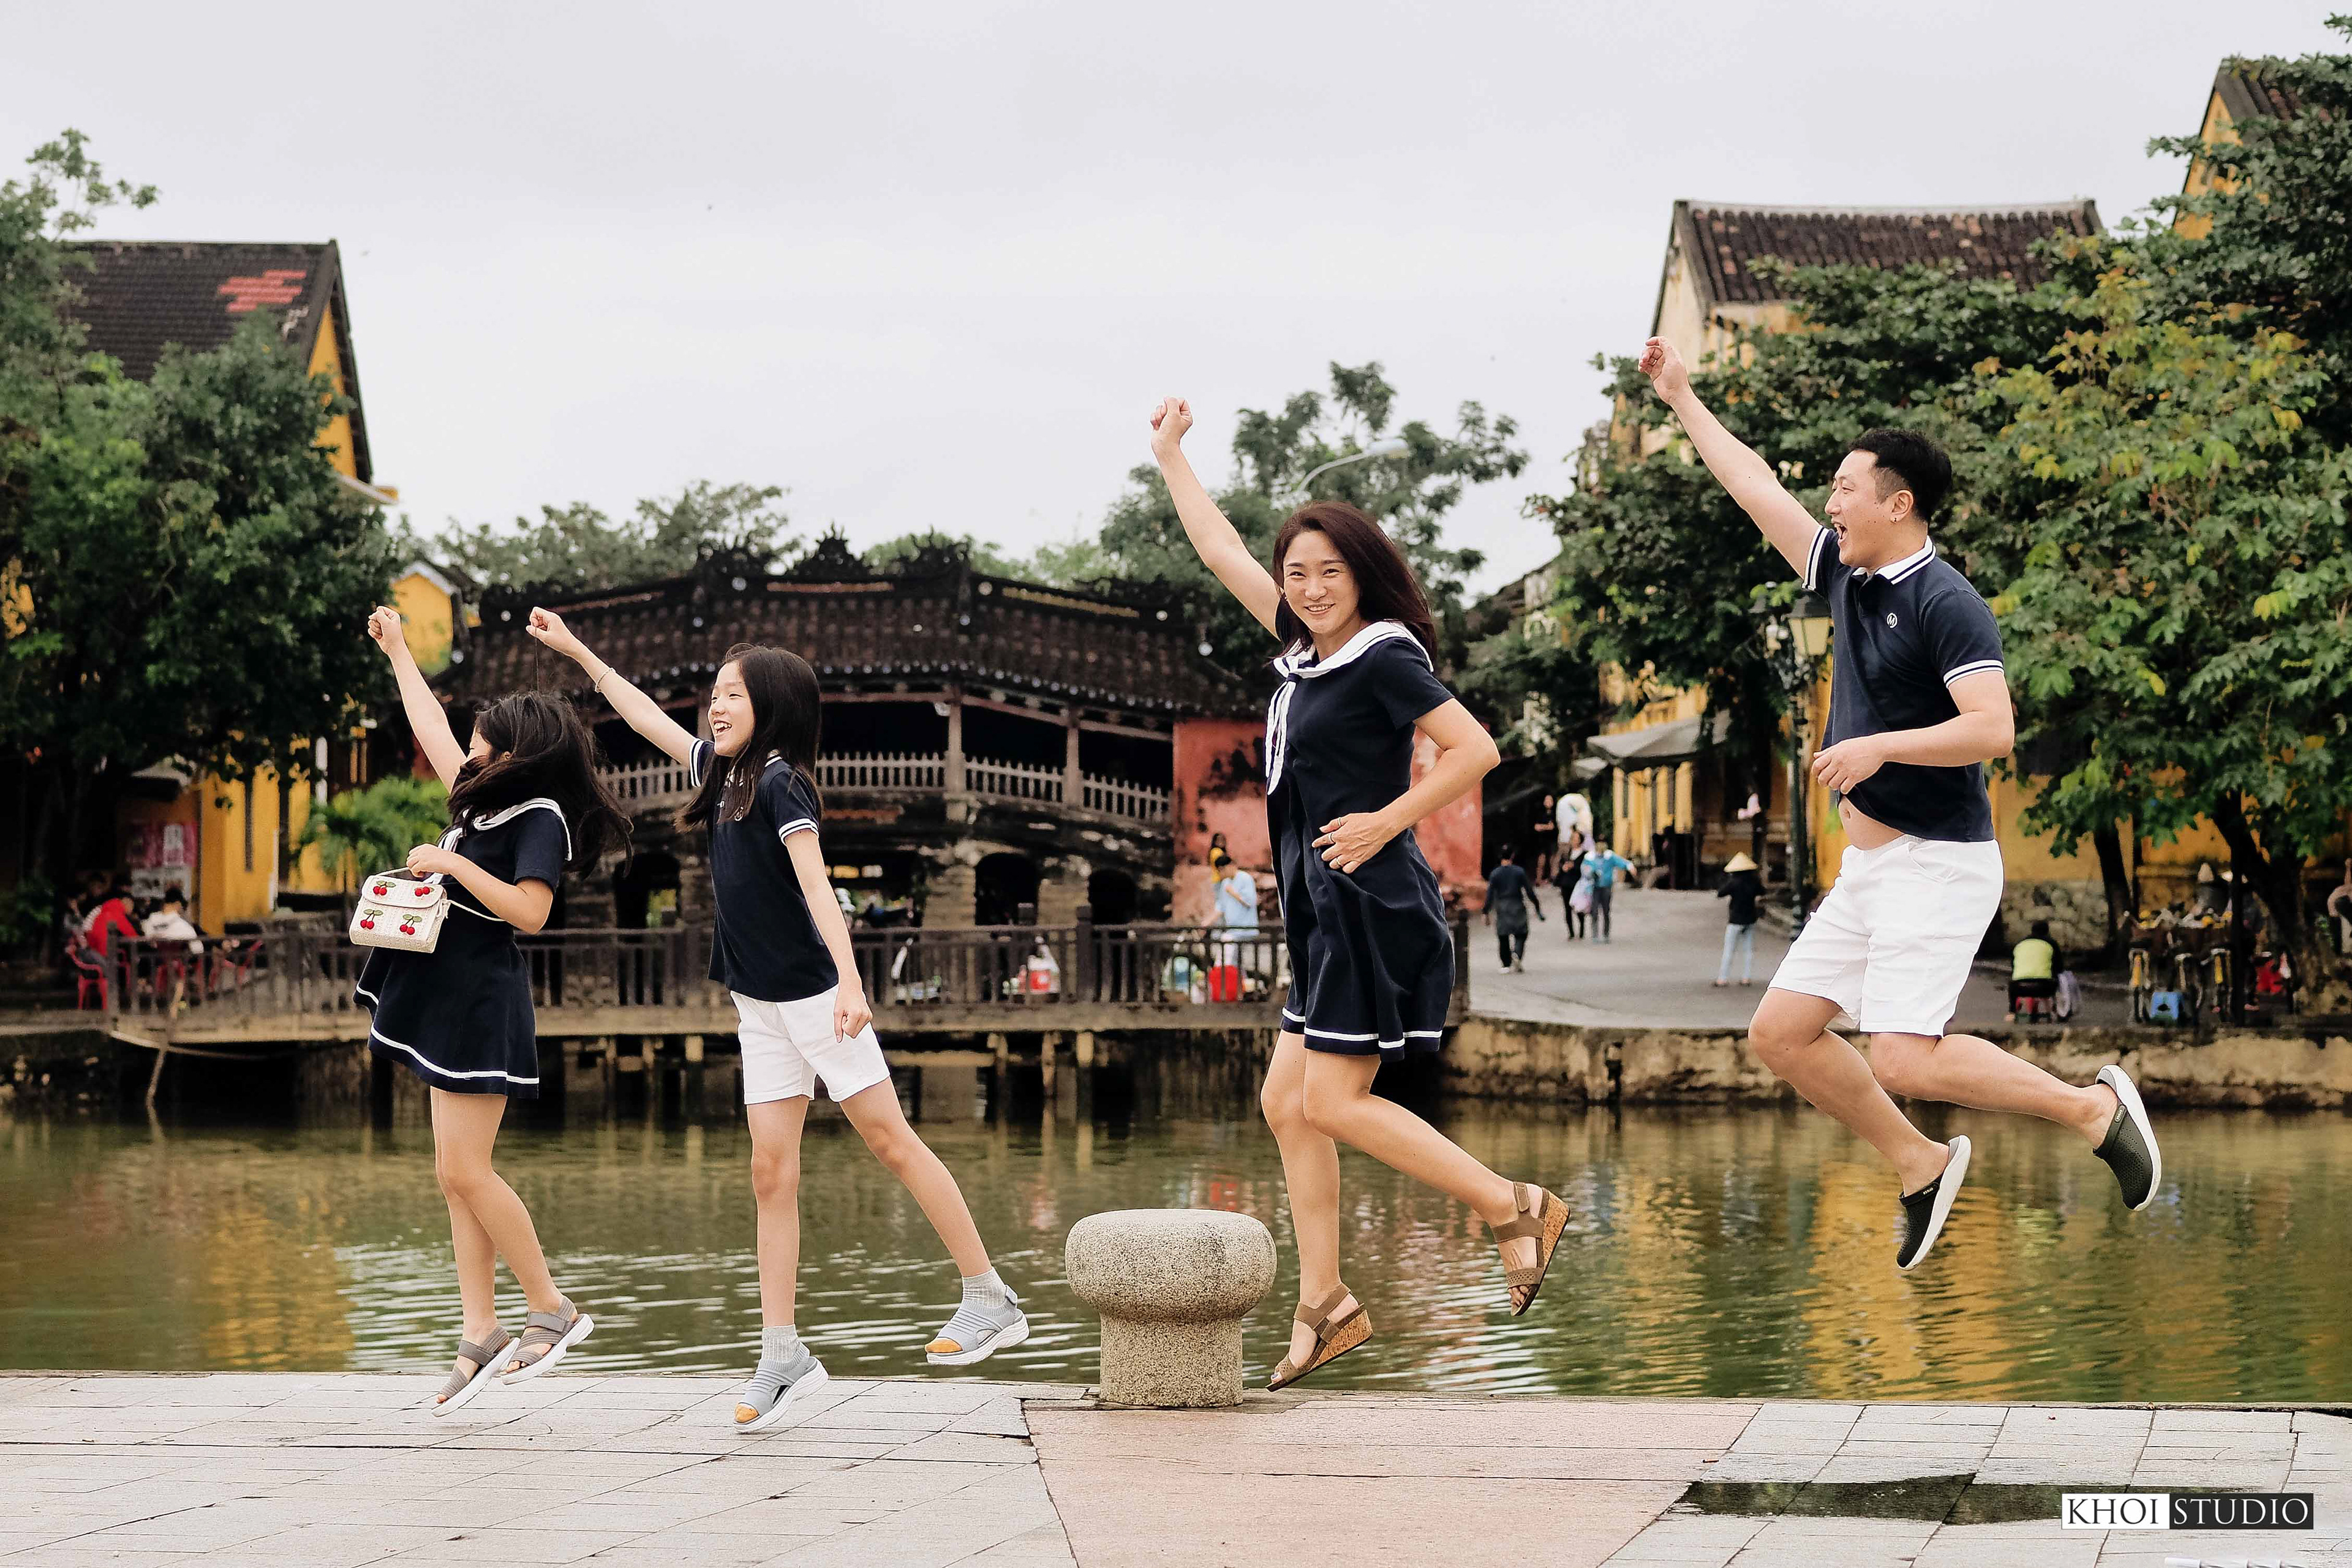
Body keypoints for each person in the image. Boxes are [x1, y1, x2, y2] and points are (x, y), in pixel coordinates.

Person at [1640, 335, 2162, 1272]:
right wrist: (1681, 399)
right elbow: (1754, 486)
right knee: (1783, 1035)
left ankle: (2095, 1108)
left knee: (1905, 1059)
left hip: (1939, 857)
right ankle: (1920, 1163)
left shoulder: (1947, 603)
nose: (1831, 504)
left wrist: (1876, 744)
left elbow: (1993, 728)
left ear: (1899, 503)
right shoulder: (1846, 575)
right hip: (1875, 869)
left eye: (1846, 488)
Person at [1151, 395, 1570, 1392]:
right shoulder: (1304, 652)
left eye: (1327, 573)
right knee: (1286, 1103)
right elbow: (1220, 553)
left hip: (1371, 901)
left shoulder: (1384, 655)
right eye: (1296, 574)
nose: (1307, 588)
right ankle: (1326, 1305)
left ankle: (1513, 1205)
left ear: (1363, 576)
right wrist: (1171, 458)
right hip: (1322, 911)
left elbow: (1475, 749)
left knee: (1332, 1102)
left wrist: (1391, 818)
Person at [530, 614, 1028, 1428]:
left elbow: (816, 882)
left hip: (815, 994)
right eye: (715, 695)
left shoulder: (779, 782)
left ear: (774, 706)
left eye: (733, 696)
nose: (716, 708)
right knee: (771, 1174)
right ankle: (781, 1354)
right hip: (757, 1002)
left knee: (890, 1140)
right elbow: (643, 713)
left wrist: (852, 981)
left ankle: (988, 1295)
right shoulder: (719, 776)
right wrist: (581, 653)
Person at [361, 606, 628, 1413]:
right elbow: (428, 724)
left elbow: (531, 910)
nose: (467, 749)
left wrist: (447, 862)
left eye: (480, 740)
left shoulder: (538, 816)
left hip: (483, 1000)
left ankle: (553, 1308)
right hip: (445, 993)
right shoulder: (480, 804)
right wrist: (402, 652)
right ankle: (481, 1331)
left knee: (466, 1169)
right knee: (453, 1176)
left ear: (513, 751)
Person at [1484, 846, 1544, 972]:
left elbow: (1489, 895)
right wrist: (1537, 906)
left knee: (1503, 935)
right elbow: (1529, 891)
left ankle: (1506, 963)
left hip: (1502, 905)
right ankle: (1517, 953)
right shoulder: (1519, 872)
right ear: (1512, 857)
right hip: (1517, 903)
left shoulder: (1495, 874)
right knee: (1521, 933)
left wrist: (1485, 912)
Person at [1714, 853, 1763, 987]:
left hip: (1735, 920)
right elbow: (1762, 891)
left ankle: (1723, 979)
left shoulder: (1733, 882)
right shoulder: (1754, 882)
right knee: (1748, 950)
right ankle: (1746, 978)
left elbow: (1720, 893)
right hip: (1750, 919)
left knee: (1729, 949)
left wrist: (1725, 880)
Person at [1210, 848, 1260, 965]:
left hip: (1245, 929)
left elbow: (1250, 901)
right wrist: (1205, 923)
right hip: (1232, 929)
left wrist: (1233, 893)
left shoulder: (1245, 878)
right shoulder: (1225, 883)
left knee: (1225, 956)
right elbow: (1220, 907)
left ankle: (1223, 976)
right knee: (1236, 963)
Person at [1583, 842, 1633, 943]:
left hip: (1606, 887)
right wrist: (1591, 873)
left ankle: (1606, 934)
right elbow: (1584, 869)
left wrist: (1630, 867)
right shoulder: (1590, 858)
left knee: (1606, 911)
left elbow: (1622, 863)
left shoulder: (1610, 857)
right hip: (1594, 887)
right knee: (1595, 911)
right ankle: (1595, 934)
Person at [1557, 829, 1589, 940]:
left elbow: (1586, 868)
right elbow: (1560, 865)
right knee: (1567, 908)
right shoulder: (1567, 853)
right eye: (1572, 838)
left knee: (1578, 907)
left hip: (1578, 884)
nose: (1574, 841)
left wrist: (1574, 866)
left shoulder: (1585, 855)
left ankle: (1582, 929)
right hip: (1566, 884)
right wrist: (1563, 867)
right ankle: (1571, 932)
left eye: (1576, 838)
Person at [1528, 794, 1559, 886]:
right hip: (1542, 840)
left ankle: (1552, 879)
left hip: (1552, 839)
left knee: (1552, 859)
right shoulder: (1539, 813)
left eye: (1550, 800)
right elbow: (1536, 827)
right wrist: (1547, 827)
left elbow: (1553, 827)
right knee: (1541, 860)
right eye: (1547, 800)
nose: (1548, 802)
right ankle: (1538, 879)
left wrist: (1544, 827)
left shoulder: (1555, 813)